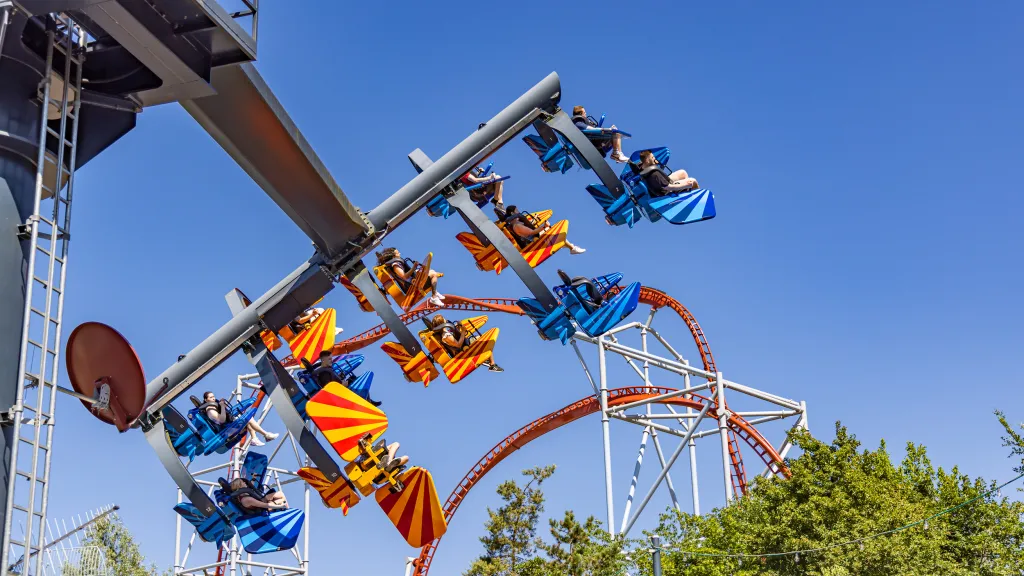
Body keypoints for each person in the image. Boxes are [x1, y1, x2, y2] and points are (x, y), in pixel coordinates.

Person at [200, 391, 278, 447]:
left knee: (247, 419)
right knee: (248, 418)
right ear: (206, 400)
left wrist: (222, 406)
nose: (213, 398)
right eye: (211, 397)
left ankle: (256, 438)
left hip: (229, 427)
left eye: (213, 396)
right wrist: (223, 407)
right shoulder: (210, 409)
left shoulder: (214, 407)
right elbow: (221, 420)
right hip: (226, 431)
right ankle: (265, 435)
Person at [499, 205, 585, 255]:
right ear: (513, 213)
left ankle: (568, 246)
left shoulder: (517, 224)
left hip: (533, 236)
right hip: (533, 240)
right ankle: (571, 248)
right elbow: (532, 232)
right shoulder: (517, 226)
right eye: (516, 210)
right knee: (554, 232)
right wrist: (544, 226)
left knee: (553, 233)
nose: (519, 211)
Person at [430, 314, 503, 372]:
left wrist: (458, 327)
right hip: (463, 349)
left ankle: (486, 360)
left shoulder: (446, 331)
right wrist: (463, 332)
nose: (445, 319)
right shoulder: (446, 336)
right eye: (443, 318)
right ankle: (492, 364)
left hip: (464, 343)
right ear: (442, 322)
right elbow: (458, 345)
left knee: (479, 338)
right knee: (485, 341)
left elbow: (456, 335)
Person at [377, 248, 445, 307]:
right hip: (412, 286)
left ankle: (435, 292)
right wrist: (414, 267)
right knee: (433, 275)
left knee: (431, 271)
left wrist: (415, 270)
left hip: (414, 283)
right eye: (398, 253)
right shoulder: (395, 265)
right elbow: (404, 276)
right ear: (394, 255)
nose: (399, 254)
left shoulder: (396, 263)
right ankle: (434, 297)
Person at [312, 350, 381, 407]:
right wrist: (342, 385)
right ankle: (368, 402)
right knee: (360, 380)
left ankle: (369, 401)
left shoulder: (326, 369)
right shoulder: (324, 372)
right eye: (329, 359)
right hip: (339, 394)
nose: (331, 361)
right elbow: (329, 389)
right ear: (323, 360)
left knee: (353, 378)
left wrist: (340, 379)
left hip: (341, 388)